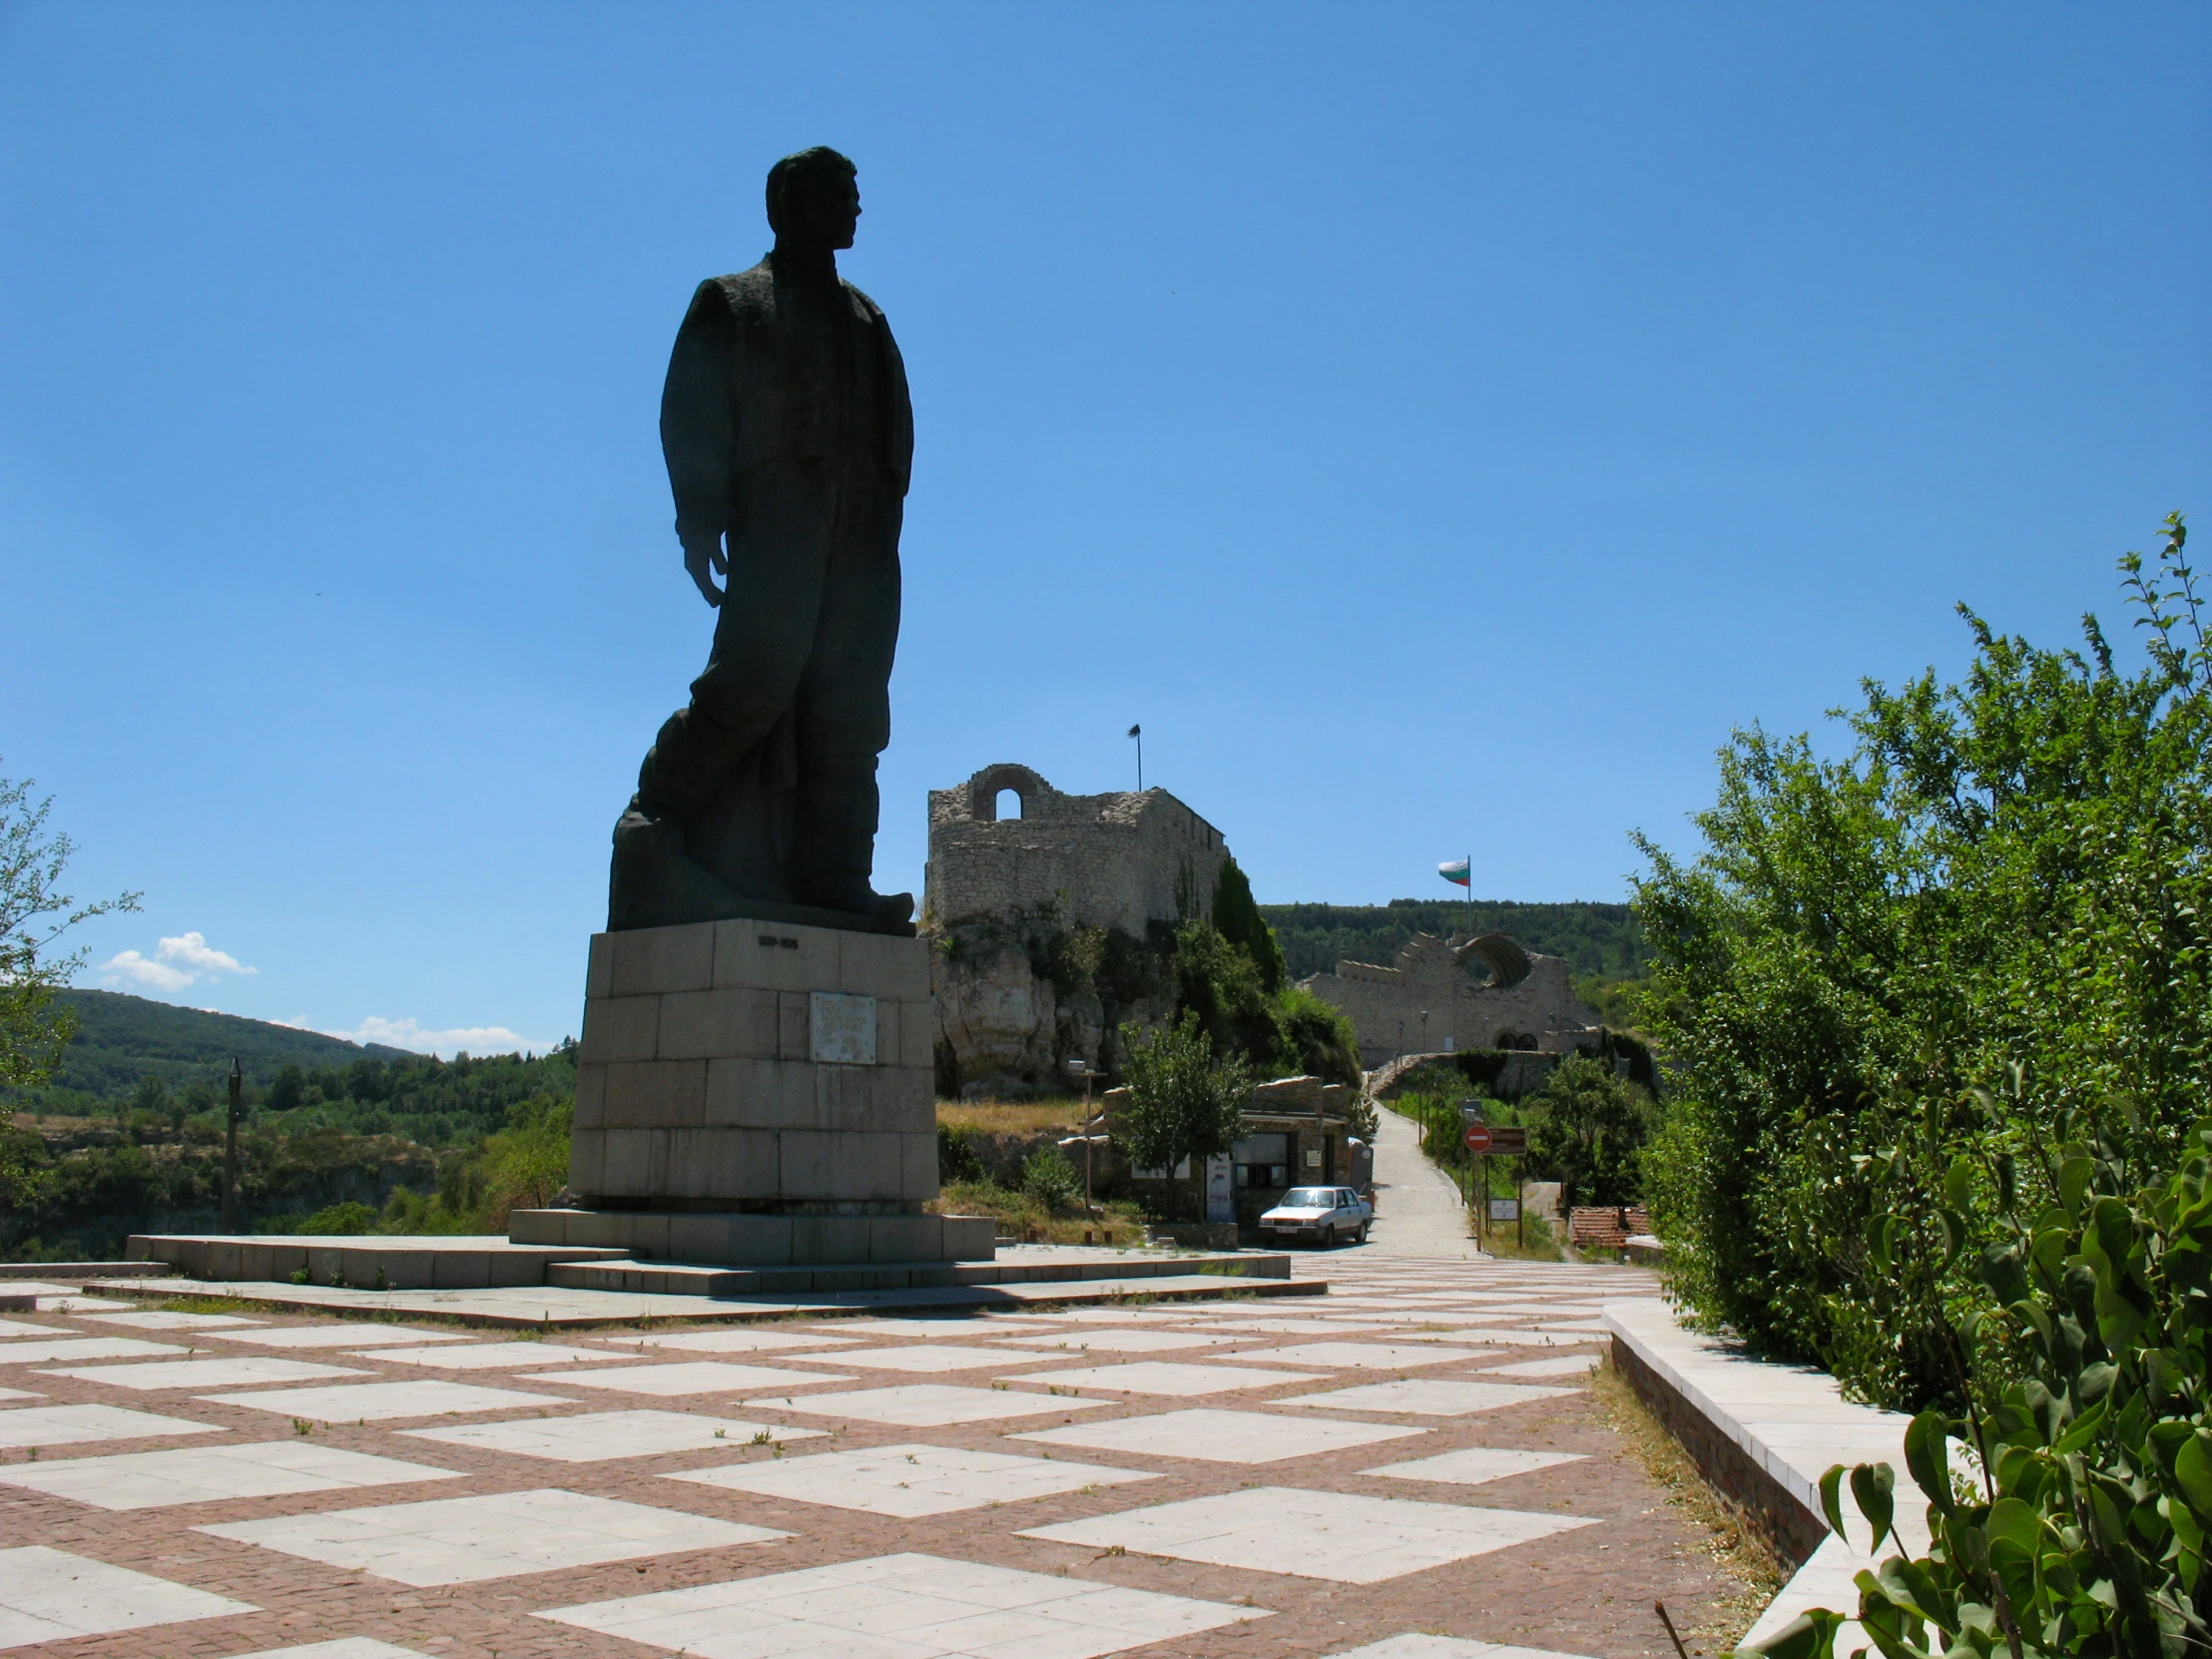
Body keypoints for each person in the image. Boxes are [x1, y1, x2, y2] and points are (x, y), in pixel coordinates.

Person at [611, 146, 914, 932]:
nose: (857, 208)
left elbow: (897, 437)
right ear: (792, 207)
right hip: (781, 516)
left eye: (858, 193)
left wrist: (880, 525)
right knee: (753, 678)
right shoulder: (733, 301)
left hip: (865, 535)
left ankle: (837, 872)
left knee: (851, 712)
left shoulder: (868, 317)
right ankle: (657, 816)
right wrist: (698, 511)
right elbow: (693, 410)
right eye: (843, 194)